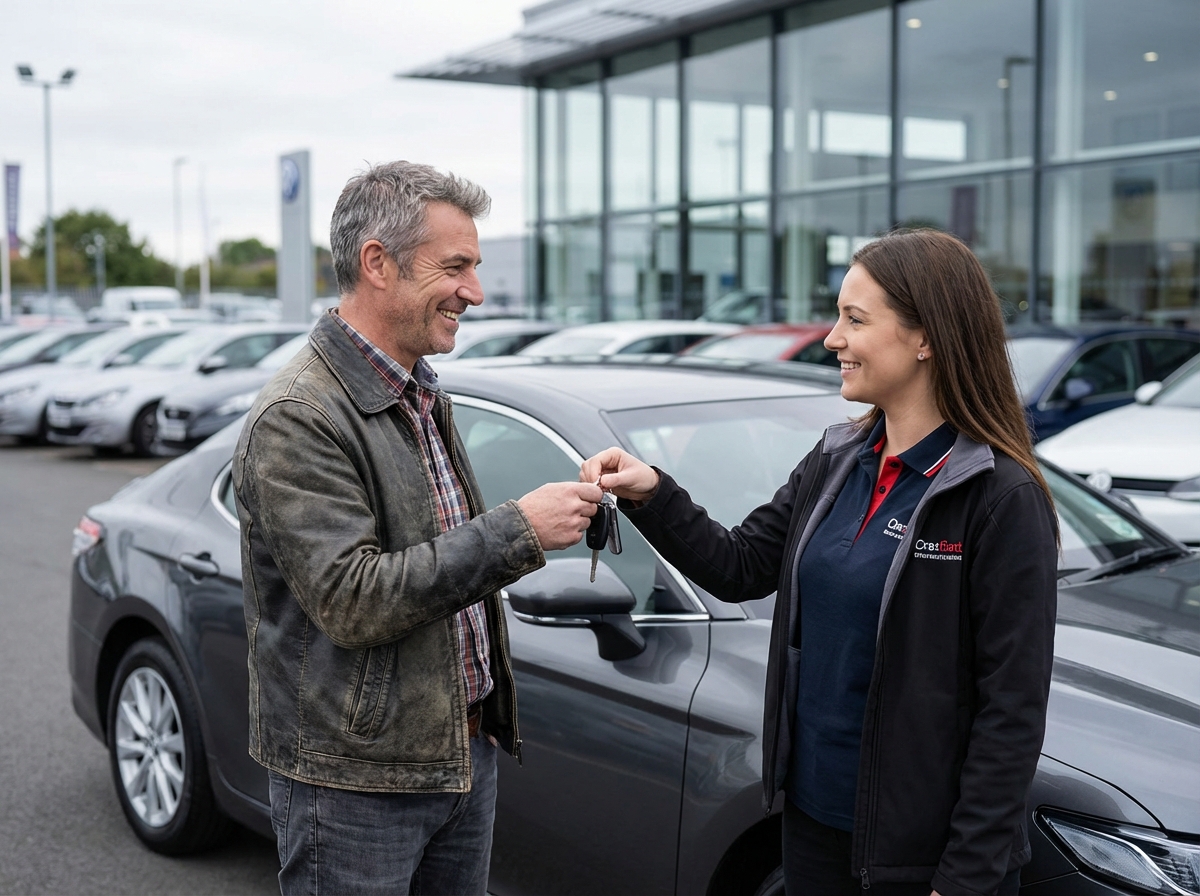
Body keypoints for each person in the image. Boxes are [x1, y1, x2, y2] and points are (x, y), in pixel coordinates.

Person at [581, 229, 1058, 896]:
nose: (832, 338)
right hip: (811, 827)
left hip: (921, 861)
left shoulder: (999, 496)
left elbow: (1010, 715)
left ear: (926, 338)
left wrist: (966, 879)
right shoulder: (836, 462)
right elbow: (740, 565)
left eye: (854, 320)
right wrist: (651, 492)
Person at [234, 161, 602, 896]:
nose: (476, 290)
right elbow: (353, 598)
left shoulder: (417, 388)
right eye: (456, 266)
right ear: (378, 263)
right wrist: (519, 530)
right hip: (355, 782)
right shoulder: (301, 415)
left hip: (458, 756)